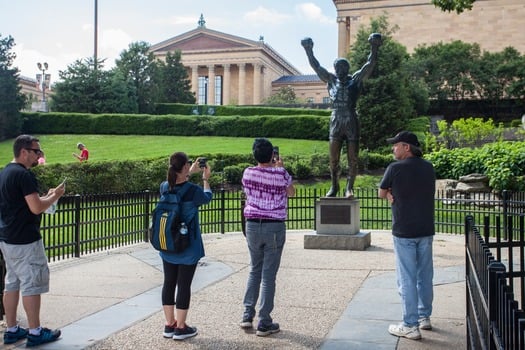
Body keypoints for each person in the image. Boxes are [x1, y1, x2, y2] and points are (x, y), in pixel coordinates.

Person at [0, 134, 66, 347]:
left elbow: (29, 203)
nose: (39, 155)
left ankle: (11, 329)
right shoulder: (24, 175)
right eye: (36, 151)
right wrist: (55, 196)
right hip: (26, 239)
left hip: (8, 237)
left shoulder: (5, 172)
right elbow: (36, 207)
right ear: (24, 152)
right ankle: (35, 332)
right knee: (31, 285)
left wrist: (47, 197)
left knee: (12, 282)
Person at [301, 33, 382, 198]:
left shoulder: (356, 80)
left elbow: (370, 64)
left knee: (353, 158)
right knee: (333, 159)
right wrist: (308, 50)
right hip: (336, 118)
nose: (339, 70)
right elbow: (316, 67)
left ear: (347, 69)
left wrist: (374, 46)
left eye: (342, 67)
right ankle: (334, 186)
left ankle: (349, 188)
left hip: (351, 118)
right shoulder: (330, 81)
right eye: (336, 67)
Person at [378, 131, 436, 340]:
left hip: (404, 231)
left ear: (407, 147)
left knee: (407, 278)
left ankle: (410, 325)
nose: (393, 148)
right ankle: (424, 317)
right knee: (425, 276)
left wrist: (390, 194)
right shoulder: (428, 167)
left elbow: (381, 192)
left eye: (396, 145)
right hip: (426, 229)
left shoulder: (395, 168)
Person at [240, 138, 295, 336]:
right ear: (272, 155)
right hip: (273, 226)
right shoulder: (280, 173)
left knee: (254, 270)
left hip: (253, 225)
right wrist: (280, 169)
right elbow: (292, 193)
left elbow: (248, 190)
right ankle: (264, 321)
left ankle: (247, 314)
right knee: (268, 275)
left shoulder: (247, 172)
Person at [159, 152, 212, 341]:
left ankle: (169, 323)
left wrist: (188, 172)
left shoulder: (165, 187)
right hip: (187, 246)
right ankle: (181, 327)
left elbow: (177, 186)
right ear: (183, 167)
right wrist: (205, 179)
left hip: (168, 245)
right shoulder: (193, 190)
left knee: (169, 282)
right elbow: (206, 197)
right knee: (184, 285)